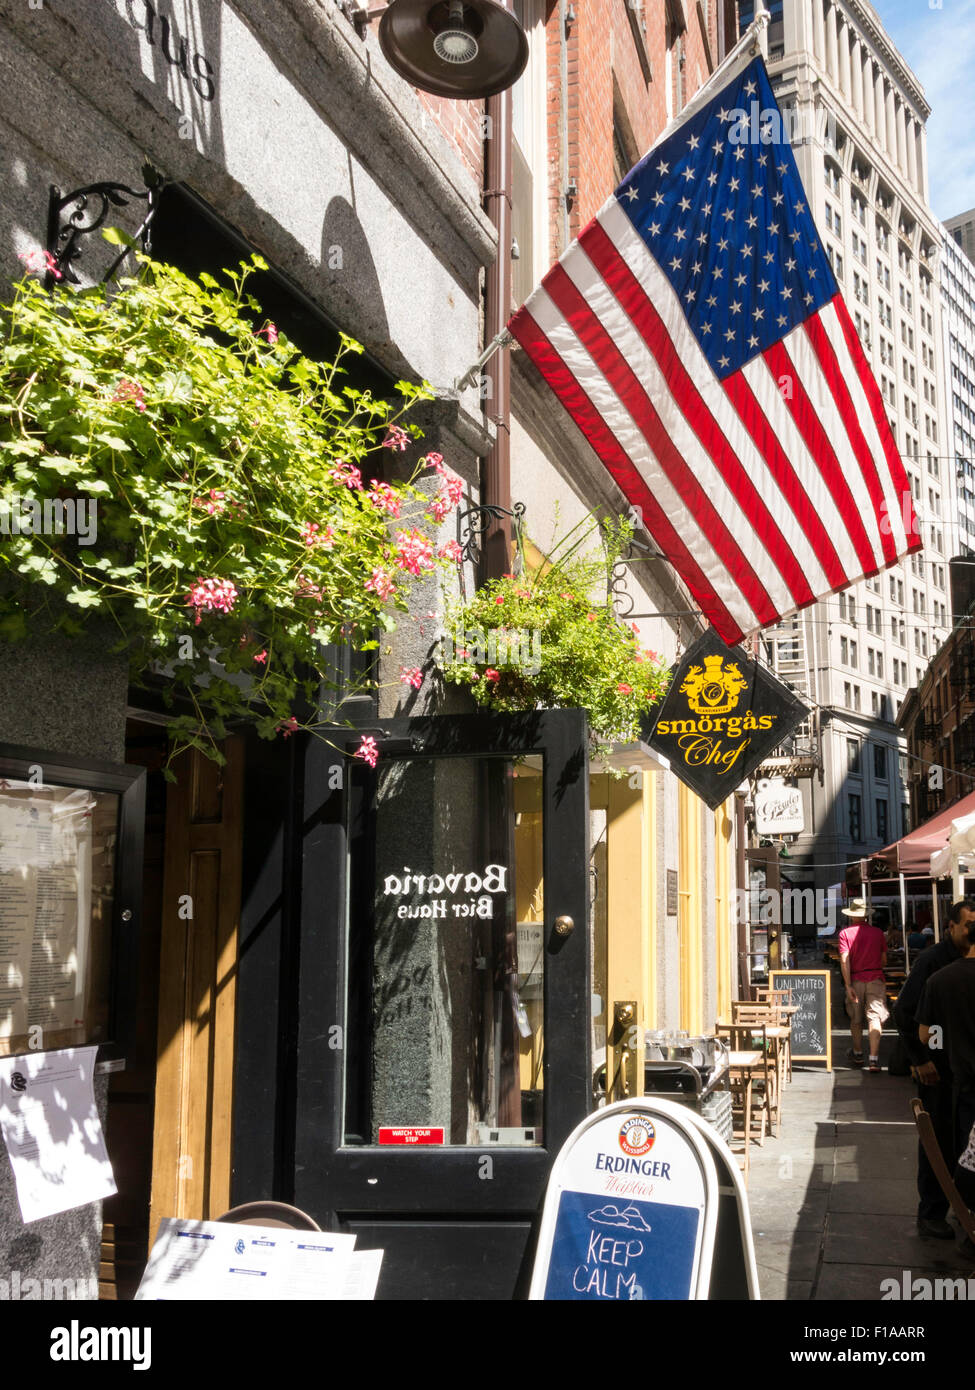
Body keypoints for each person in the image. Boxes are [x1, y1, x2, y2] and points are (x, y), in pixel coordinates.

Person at [894, 898, 975, 1239]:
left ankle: (964, 1209)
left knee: (965, 1147)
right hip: (939, 1074)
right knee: (936, 1144)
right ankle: (932, 1212)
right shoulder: (932, 963)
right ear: (951, 926)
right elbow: (905, 1015)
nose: (972, 929)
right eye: (968, 923)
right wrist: (923, 1058)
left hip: (965, 1076)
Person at [917, 907, 975, 1252]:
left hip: (963, 1081)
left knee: (966, 1155)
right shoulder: (932, 964)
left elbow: (924, 1033)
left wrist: (944, 1041)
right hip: (952, 1084)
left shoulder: (942, 979)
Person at [838, 897, 888, 1072]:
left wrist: (848, 984)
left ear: (852, 916)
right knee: (874, 1018)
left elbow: (845, 960)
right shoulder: (878, 933)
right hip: (876, 978)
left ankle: (858, 1053)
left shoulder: (845, 934)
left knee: (856, 1019)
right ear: (866, 916)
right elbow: (884, 960)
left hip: (856, 979)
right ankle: (873, 1059)